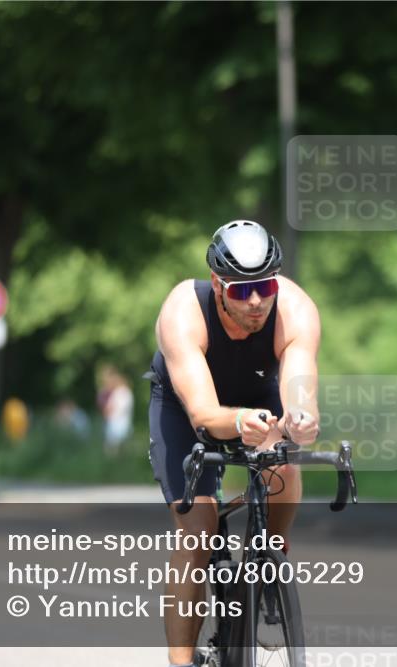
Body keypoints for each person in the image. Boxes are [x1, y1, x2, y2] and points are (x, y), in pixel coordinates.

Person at [148, 220, 320, 667]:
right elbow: (204, 413)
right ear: (216, 284)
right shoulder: (182, 312)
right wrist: (238, 419)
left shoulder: (296, 309)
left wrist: (301, 418)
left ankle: (270, 559)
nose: (258, 301)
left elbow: (300, 386)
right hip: (186, 407)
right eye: (242, 291)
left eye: (265, 286)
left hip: (258, 394)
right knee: (198, 529)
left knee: (283, 463)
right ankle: (181, 661)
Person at [98, 365, 133, 453]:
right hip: (118, 423)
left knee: (113, 450)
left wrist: (108, 410)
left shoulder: (121, 393)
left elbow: (114, 408)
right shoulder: (123, 392)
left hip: (117, 424)